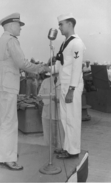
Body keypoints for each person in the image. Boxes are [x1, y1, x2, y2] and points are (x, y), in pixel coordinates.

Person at [0, 13, 47, 170]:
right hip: (8, 86)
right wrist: (42, 68)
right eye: (18, 25)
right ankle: (9, 158)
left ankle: (0, 154)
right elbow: (22, 63)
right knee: (9, 122)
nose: (20, 28)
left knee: (1, 122)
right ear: (9, 26)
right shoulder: (11, 41)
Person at [50, 13, 86, 158]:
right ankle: (67, 147)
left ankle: (74, 150)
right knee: (65, 118)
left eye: (61, 24)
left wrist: (72, 89)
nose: (59, 27)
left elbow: (77, 68)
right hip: (63, 85)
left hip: (73, 87)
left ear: (70, 24)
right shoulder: (65, 43)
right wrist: (44, 70)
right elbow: (60, 66)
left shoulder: (77, 43)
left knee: (73, 119)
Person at [38, 72, 64, 150]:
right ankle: (48, 153)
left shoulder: (64, 81)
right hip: (47, 113)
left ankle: (60, 150)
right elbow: (39, 95)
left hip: (59, 114)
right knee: (48, 138)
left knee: (60, 138)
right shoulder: (45, 81)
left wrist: (59, 100)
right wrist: (49, 98)